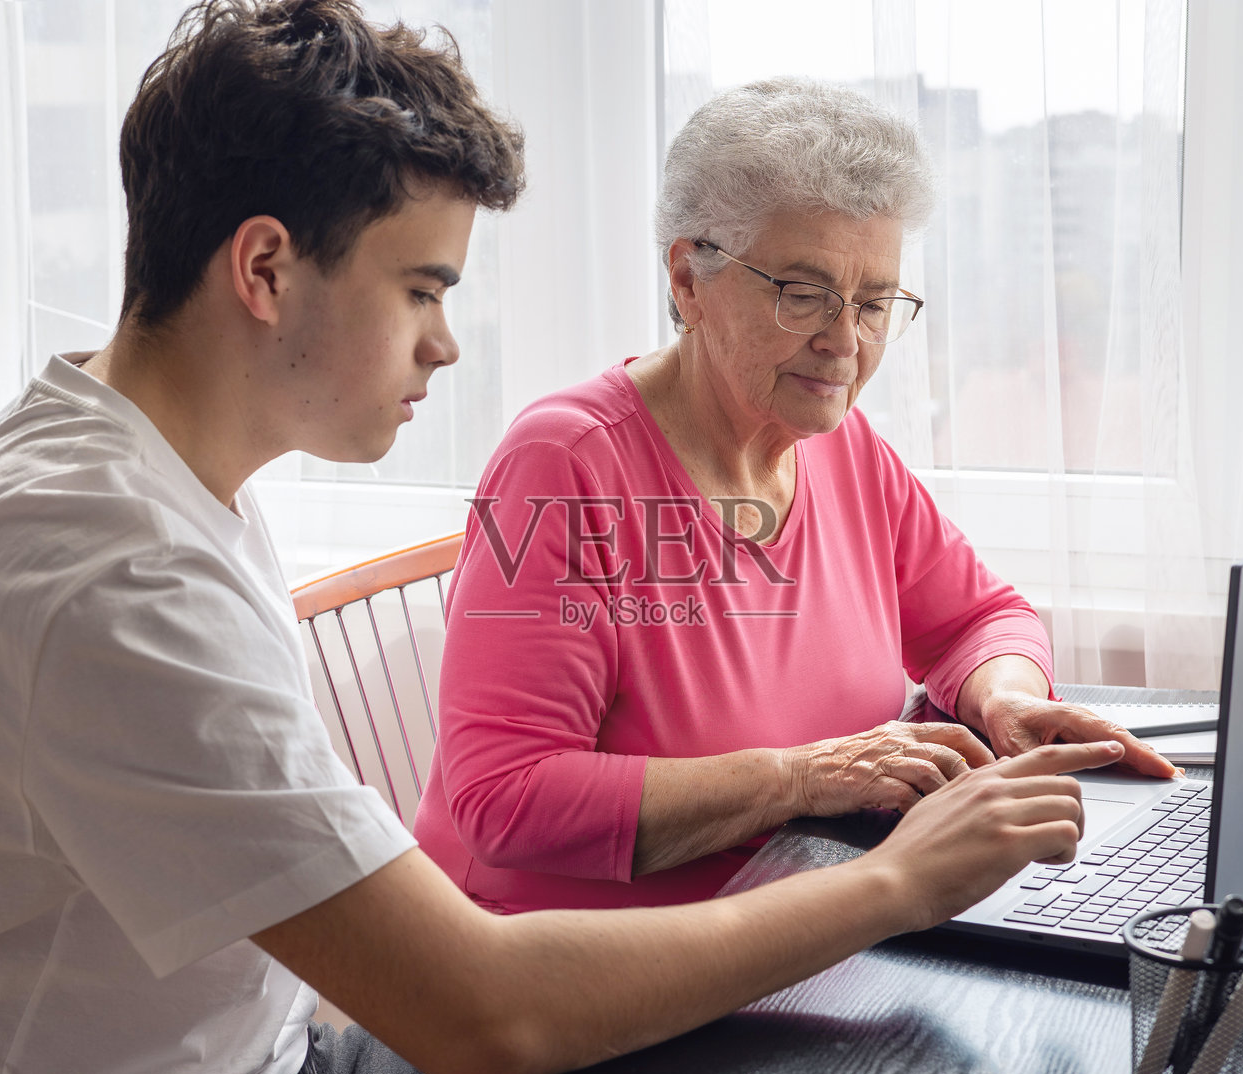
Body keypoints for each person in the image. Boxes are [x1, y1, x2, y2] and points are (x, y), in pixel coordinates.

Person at [0, 5, 1125, 1074]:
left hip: (270, 1066)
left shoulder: (149, 483)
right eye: (423, 289)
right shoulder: (106, 577)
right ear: (266, 268)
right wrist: (893, 881)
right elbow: (477, 1008)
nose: (448, 346)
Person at [413, 77, 1178, 915]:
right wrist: (805, 778)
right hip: (589, 981)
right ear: (689, 280)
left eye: (875, 302)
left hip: (810, 931)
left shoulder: (841, 446)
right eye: (803, 293)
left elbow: (978, 618)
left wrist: (1010, 699)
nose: (845, 340)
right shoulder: (563, 466)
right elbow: (507, 801)